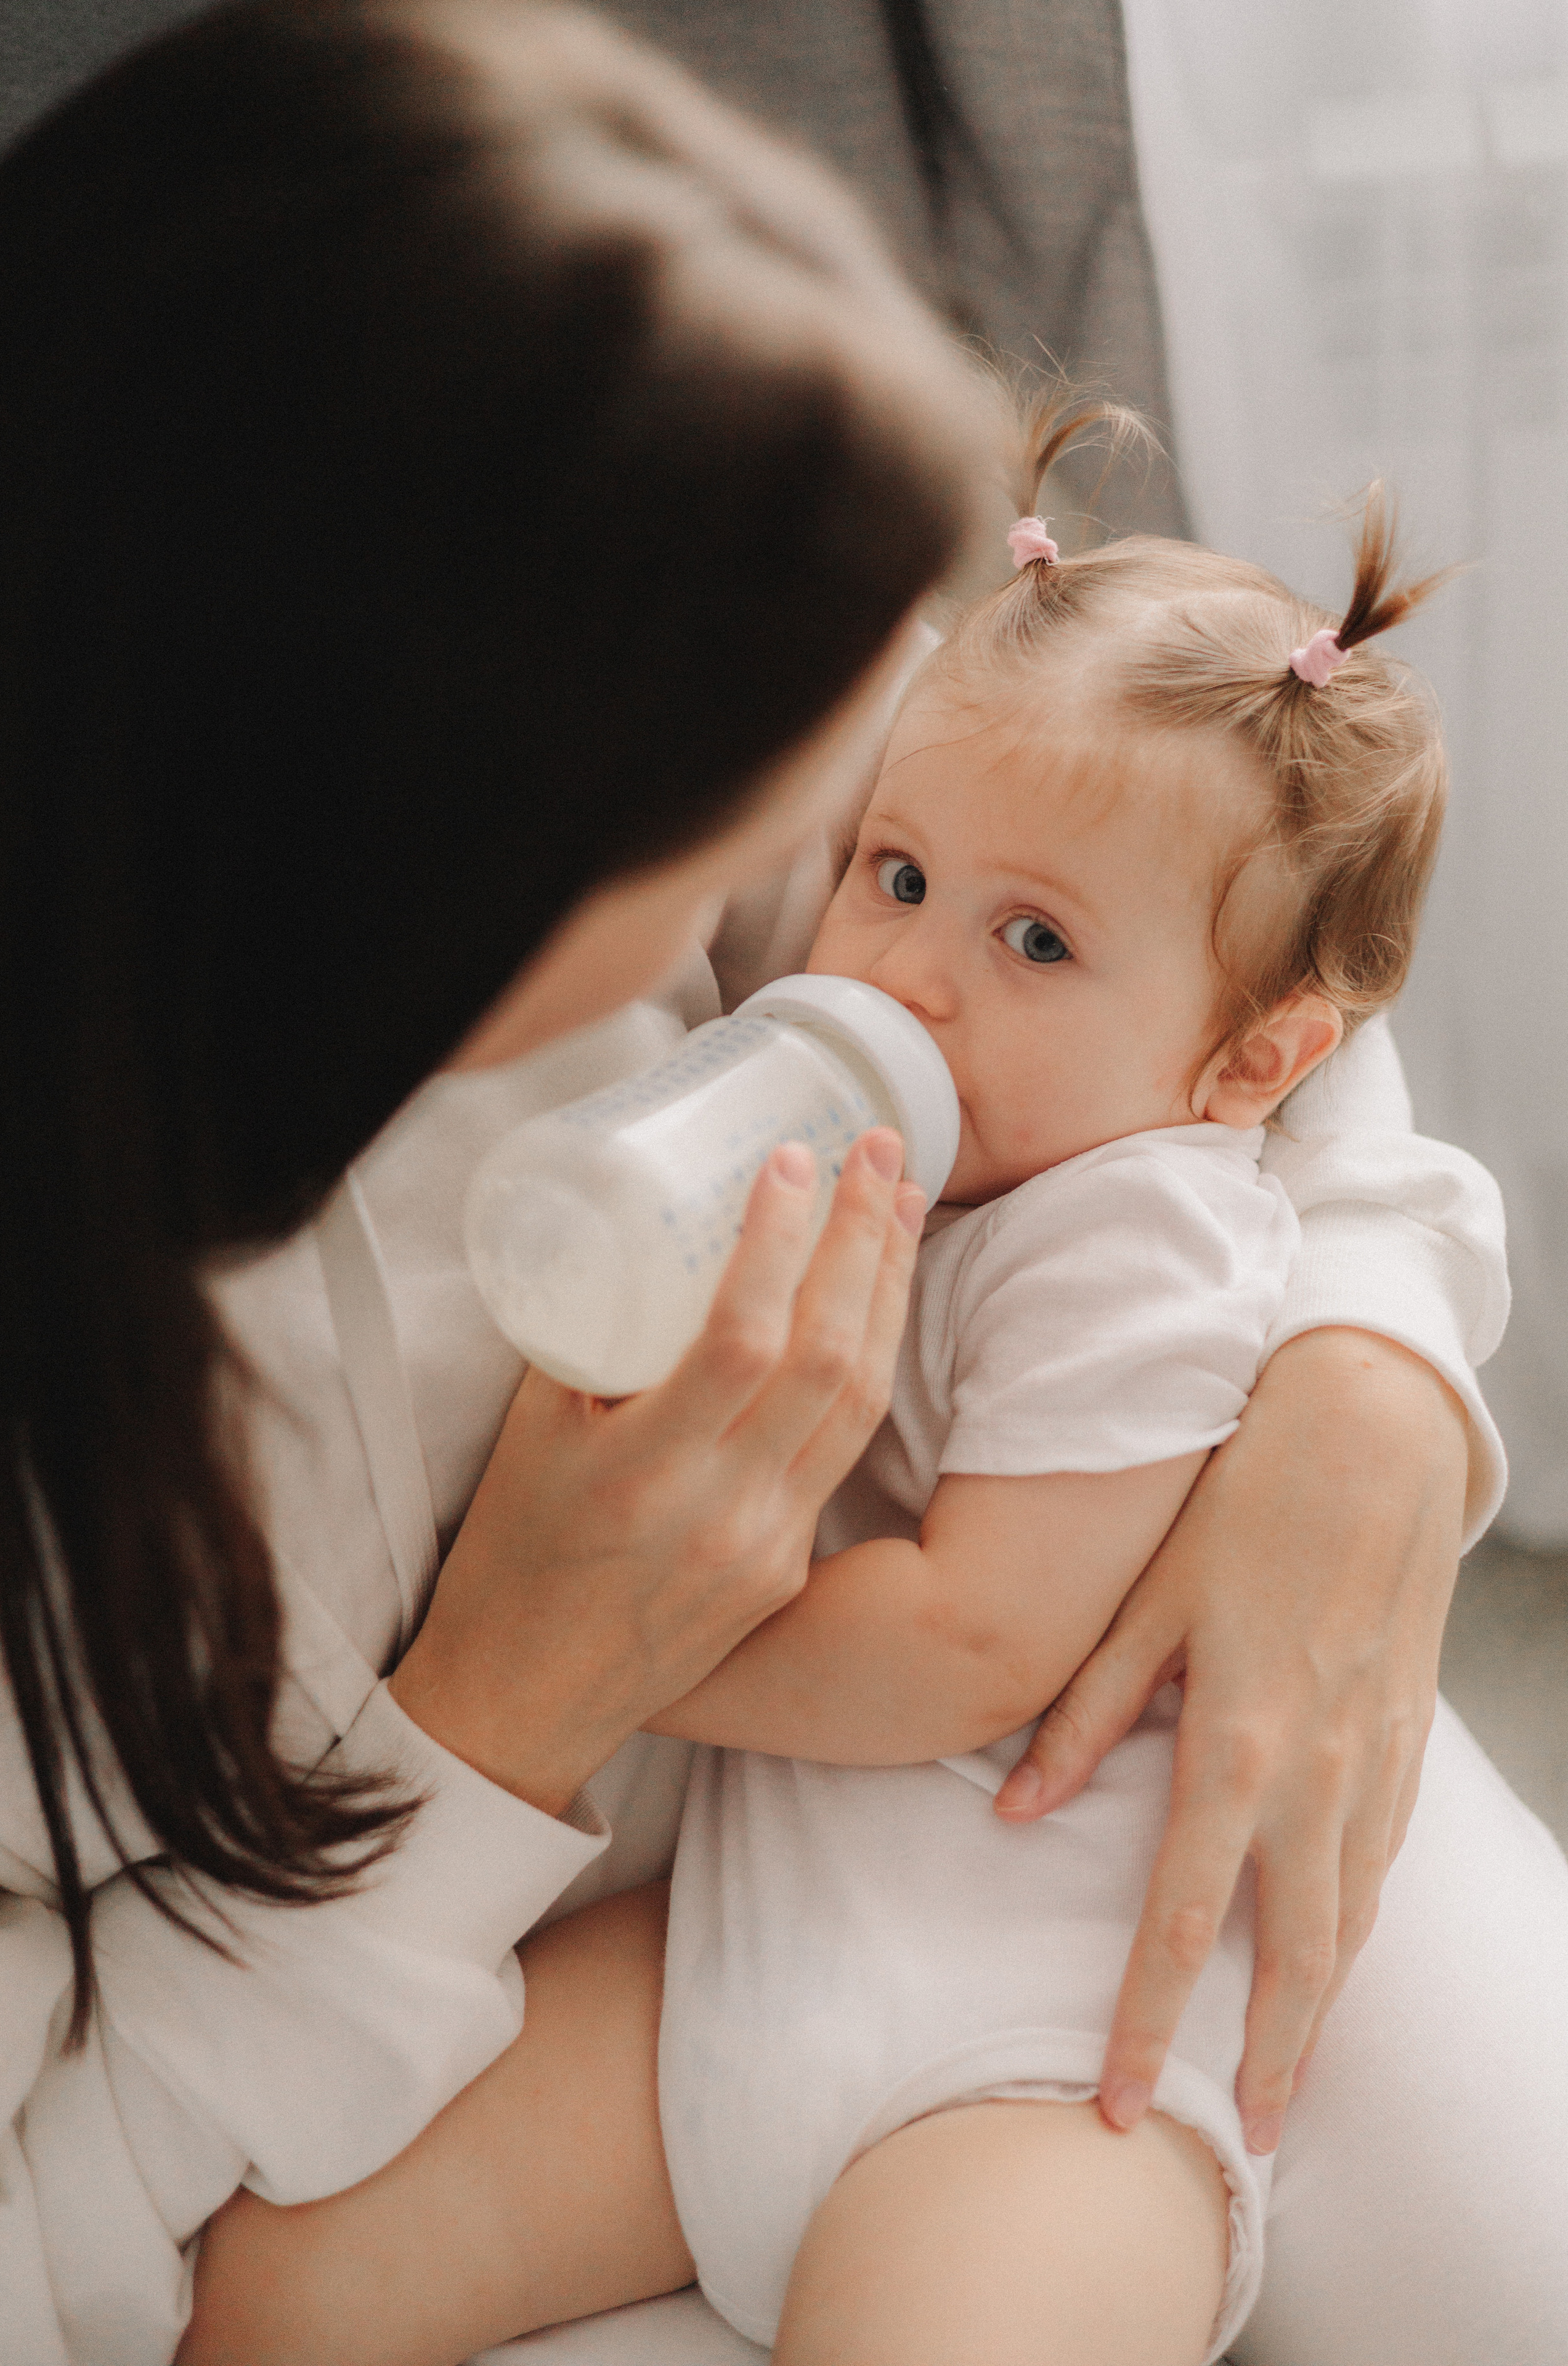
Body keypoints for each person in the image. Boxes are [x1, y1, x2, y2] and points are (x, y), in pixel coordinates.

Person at [0, 9, 1553, 2366]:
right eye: (844, 837)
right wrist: (520, 1692)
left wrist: (1375, 1365)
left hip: (1058, 1929)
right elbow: (58, 2253)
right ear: (447, 842)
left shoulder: (725, 833)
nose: (862, 921)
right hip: (533, 1998)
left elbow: (1194, 952)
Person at [651, 429, 1447, 2366]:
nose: (910, 976)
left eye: (1034, 941)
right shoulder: (918, 1158)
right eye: (897, 876)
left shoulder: (1137, 1230)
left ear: (1249, 1063)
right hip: (734, 1975)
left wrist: (615, 1642)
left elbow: (974, 1635)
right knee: (282, 2285)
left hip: (1023, 2059)